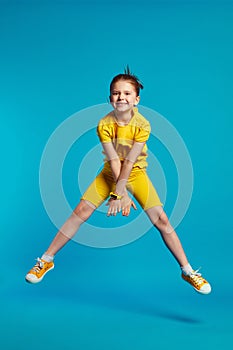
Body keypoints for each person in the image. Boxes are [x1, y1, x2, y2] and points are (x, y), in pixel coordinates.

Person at [25, 67, 211, 294]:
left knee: (161, 219)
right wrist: (118, 193)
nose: (121, 97)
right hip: (110, 172)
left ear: (136, 99)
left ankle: (188, 271)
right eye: (116, 93)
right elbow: (114, 160)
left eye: (126, 93)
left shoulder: (143, 125)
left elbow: (130, 162)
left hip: (136, 173)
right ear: (109, 98)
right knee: (81, 211)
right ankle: (46, 260)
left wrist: (121, 191)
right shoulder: (104, 124)